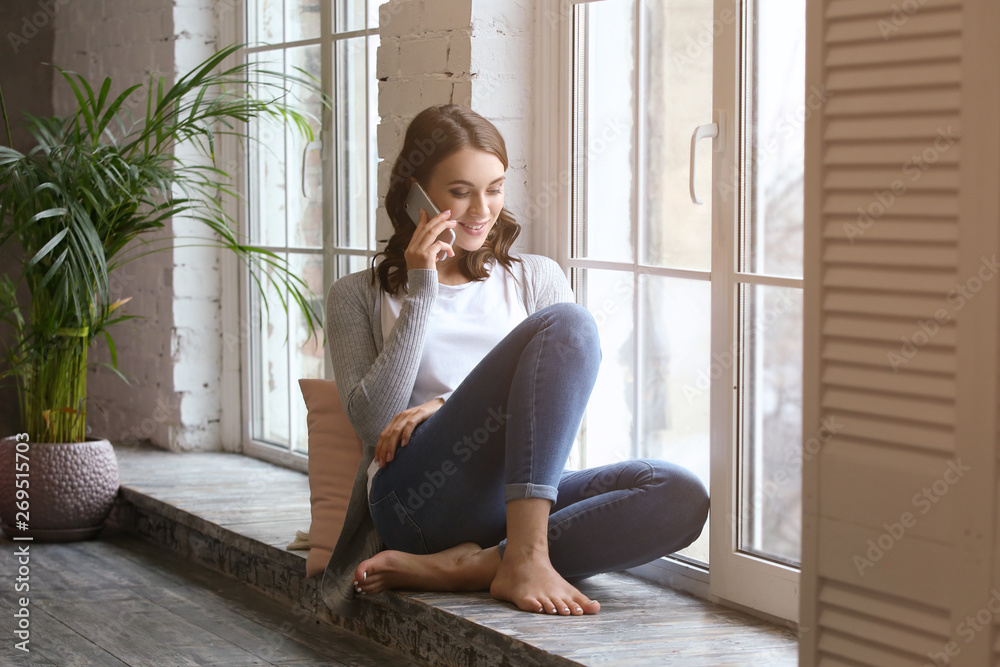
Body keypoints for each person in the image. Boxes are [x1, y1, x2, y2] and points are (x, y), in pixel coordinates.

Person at [321, 105, 709, 617]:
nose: (483, 209)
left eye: (495, 187)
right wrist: (421, 287)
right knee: (569, 322)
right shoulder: (357, 294)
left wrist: (442, 403)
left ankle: (481, 565)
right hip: (414, 503)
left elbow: (557, 406)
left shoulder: (533, 277)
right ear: (414, 192)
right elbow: (373, 423)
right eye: (460, 192)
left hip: (511, 504)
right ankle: (523, 556)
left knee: (679, 493)